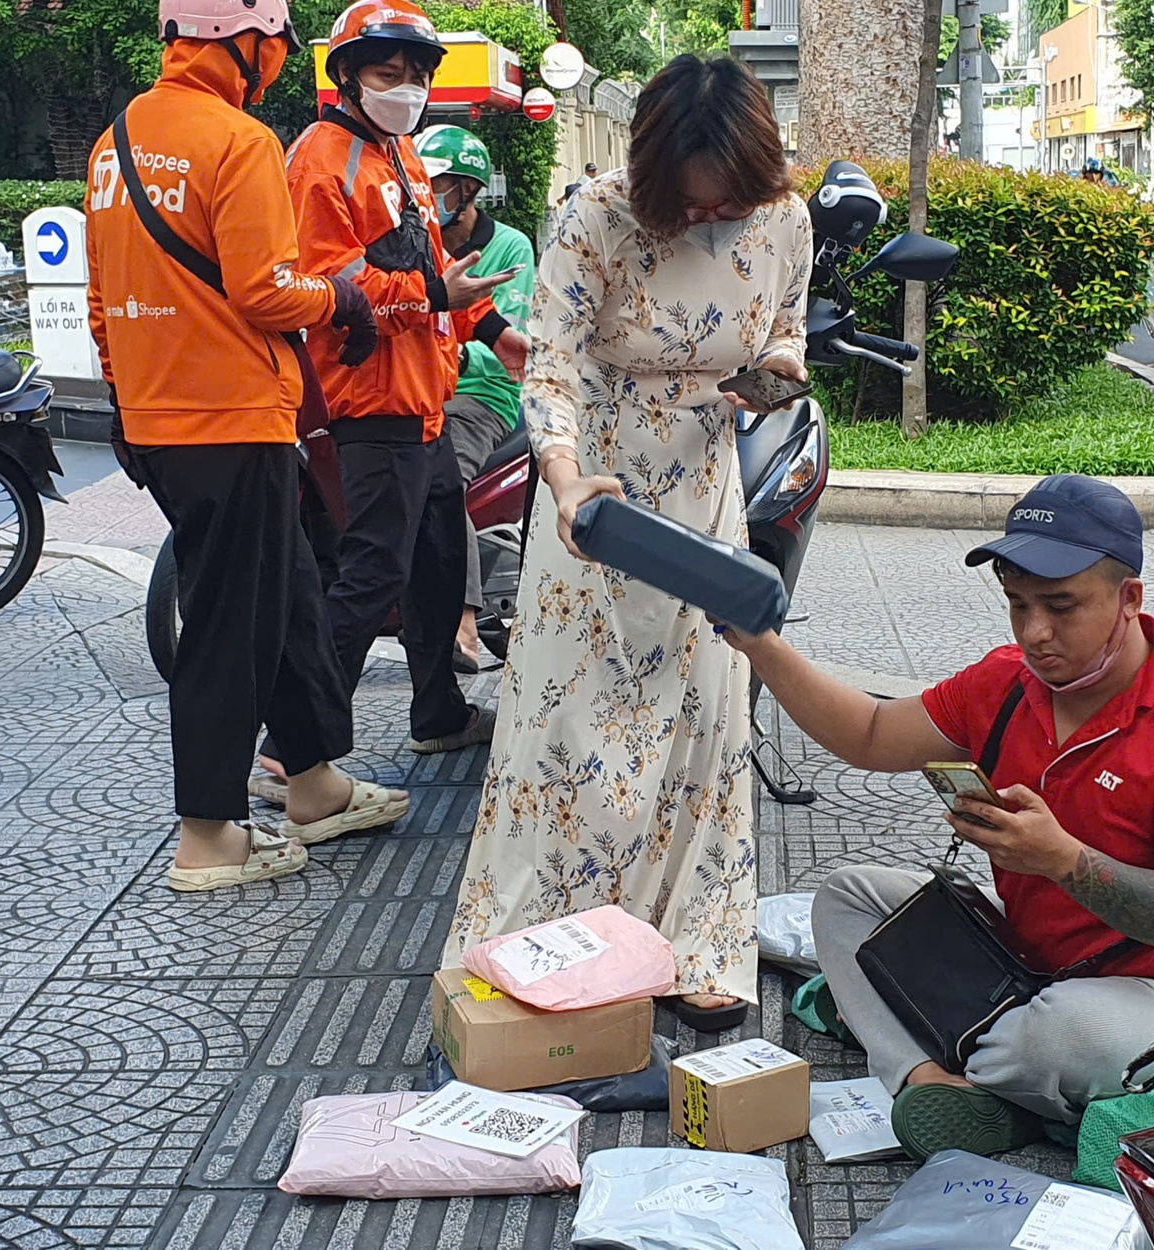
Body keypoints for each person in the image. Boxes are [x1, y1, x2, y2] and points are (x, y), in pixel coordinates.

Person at [722, 476, 1154, 1159]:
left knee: (1058, 1034)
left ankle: (981, 1073)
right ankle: (930, 1078)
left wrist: (1061, 860)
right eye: (1017, 605)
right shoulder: (1008, 683)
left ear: (1130, 599)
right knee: (845, 901)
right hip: (1030, 953)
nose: (1035, 632)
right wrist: (761, 646)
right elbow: (869, 733)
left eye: (1061, 607)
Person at [441, 54, 813, 1034]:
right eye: (690, 207)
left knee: (703, 719)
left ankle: (697, 940)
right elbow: (550, 367)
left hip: (702, 494)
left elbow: (784, 329)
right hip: (594, 499)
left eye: (724, 205)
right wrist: (563, 479)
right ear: (652, 176)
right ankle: (558, 941)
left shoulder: (783, 217)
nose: (709, 220)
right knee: (571, 731)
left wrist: (775, 371)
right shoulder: (593, 217)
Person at [85, 0, 408, 891]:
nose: (275, 61)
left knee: (290, 590)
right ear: (248, 41)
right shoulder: (237, 140)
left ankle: (314, 783)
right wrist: (342, 301)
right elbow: (267, 293)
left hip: (162, 421)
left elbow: (103, 299)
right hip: (230, 418)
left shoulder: (115, 142)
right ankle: (207, 833)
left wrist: (125, 397)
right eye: (275, 46)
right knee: (230, 622)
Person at [283, 0, 526, 763]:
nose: (407, 89)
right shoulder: (321, 163)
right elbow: (331, 287)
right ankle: (288, 753)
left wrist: (497, 331)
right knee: (373, 573)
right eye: (390, 73)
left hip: (425, 398)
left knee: (437, 566)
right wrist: (434, 300)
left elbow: (436, 271)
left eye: (418, 75)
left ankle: (438, 714)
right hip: (367, 399)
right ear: (348, 75)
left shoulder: (402, 155)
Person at [418, 123, 538, 672]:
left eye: (440, 184)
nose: (431, 193)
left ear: (468, 190)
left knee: (439, 476)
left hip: (480, 393)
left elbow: (509, 332)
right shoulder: (419, 236)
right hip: (417, 384)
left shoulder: (510, 247)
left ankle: (463, 621)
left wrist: (458, 354)